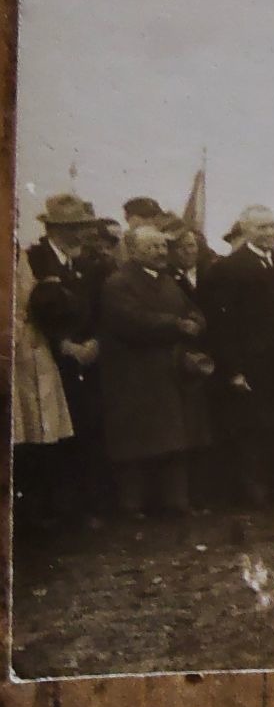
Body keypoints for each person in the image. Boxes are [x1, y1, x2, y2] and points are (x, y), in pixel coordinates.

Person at [201, 205, 274, 506]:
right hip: (251, 363)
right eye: (261, 228)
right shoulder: (229, 267)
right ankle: (253, 491)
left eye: (273, 226)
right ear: (246, 230)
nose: (269, 233)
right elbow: (222, 324)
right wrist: (234, 370)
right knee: (252, 429)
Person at [98, 226, 212, 516]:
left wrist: (197, 321)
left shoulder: (169, 281)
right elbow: (131, 321)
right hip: (134, 375)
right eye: (152, 247)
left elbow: (191, 309)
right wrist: (176, 325)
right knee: (136, 444)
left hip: (168, 373)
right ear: (134, 250)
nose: (161, 252)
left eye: (163, 246)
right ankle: (132, 505)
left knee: (174, 440)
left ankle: (176, 502)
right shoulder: (119, 283)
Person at [24, 194, 115, 524]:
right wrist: (63, 344)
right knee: (52, 435)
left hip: (89, 360)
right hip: (49, 358)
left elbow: (100, 309)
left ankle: (83, 507)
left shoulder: (88, 265)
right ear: (54, 229)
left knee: (87, 429)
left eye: (83, 227)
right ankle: (53, 511)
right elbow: (28, 312)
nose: (81, 234)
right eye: (73, 228)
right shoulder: (34, 260)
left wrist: (95, 342)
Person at [12, 256, 75, 531]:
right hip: (13, 348)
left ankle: (41, 508)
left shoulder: (24, 259)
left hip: (32, 345)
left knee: (41, 428)